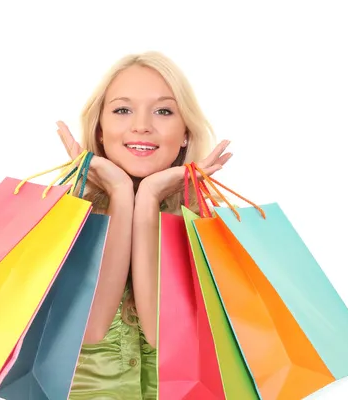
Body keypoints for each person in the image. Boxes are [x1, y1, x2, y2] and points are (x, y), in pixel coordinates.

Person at [55, 50, 232, 400]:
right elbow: (89, 329)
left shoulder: (211, 228)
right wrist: (121, 195)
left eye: (163, 111)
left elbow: (164, 337)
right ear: (100, 130)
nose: (141, 125)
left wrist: (149, 199)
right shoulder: (60, 218)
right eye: (122, 110)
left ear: (185, 133)